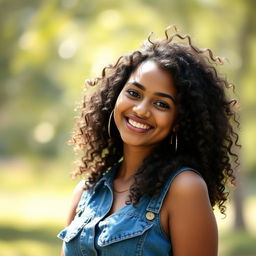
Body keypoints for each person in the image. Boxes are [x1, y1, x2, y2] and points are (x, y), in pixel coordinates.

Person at [58, 25, 239, 256]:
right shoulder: (85, 192)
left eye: (162, 104)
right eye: (134, 93)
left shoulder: (184, 189)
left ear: (178, 121)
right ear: (116, 96)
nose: (142, 110)